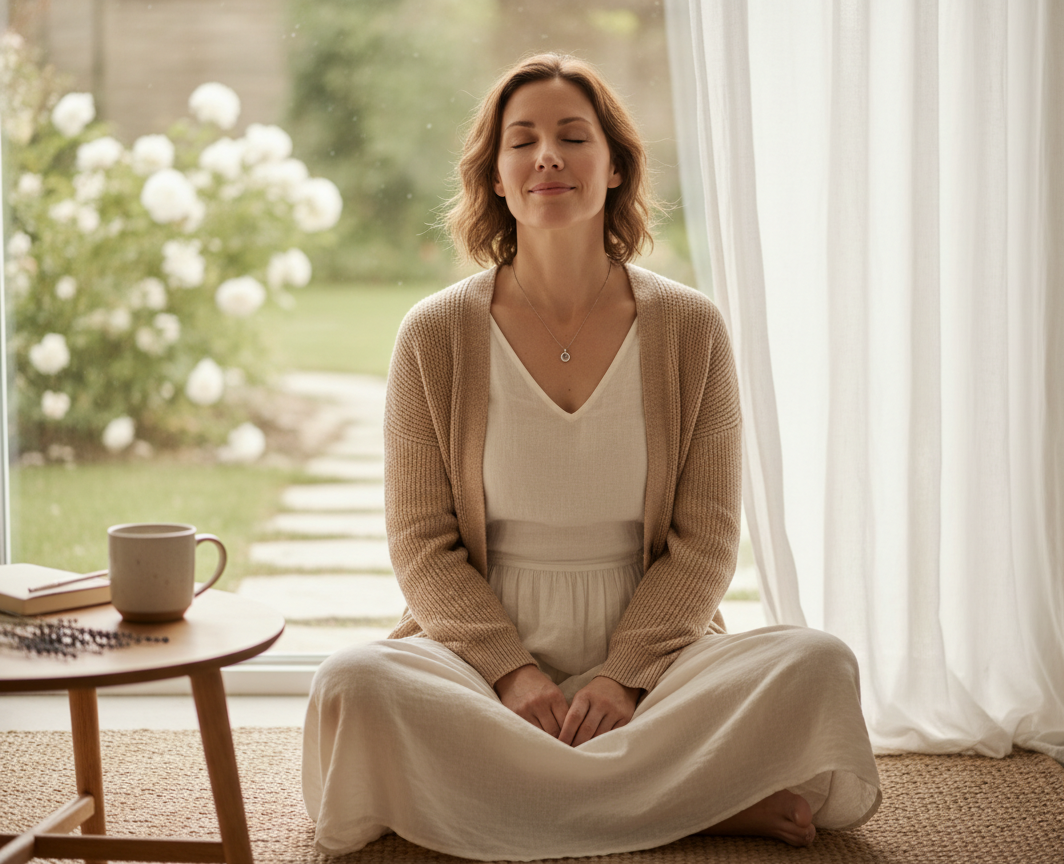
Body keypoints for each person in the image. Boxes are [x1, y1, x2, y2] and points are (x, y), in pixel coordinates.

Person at [302, 52, 881, 861]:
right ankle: (699, 801)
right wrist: (510, 673)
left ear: (614, 167)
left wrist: (625, 677)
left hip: (657, 660)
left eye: (574, 137)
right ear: (496, 177)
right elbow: (420, 545)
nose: (547, 156)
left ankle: (492, 800)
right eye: (522, 140)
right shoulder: (434, 335)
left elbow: (706, 539)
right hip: (479, 660)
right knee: (352, 684)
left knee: (819, 663)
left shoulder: (691, 328)